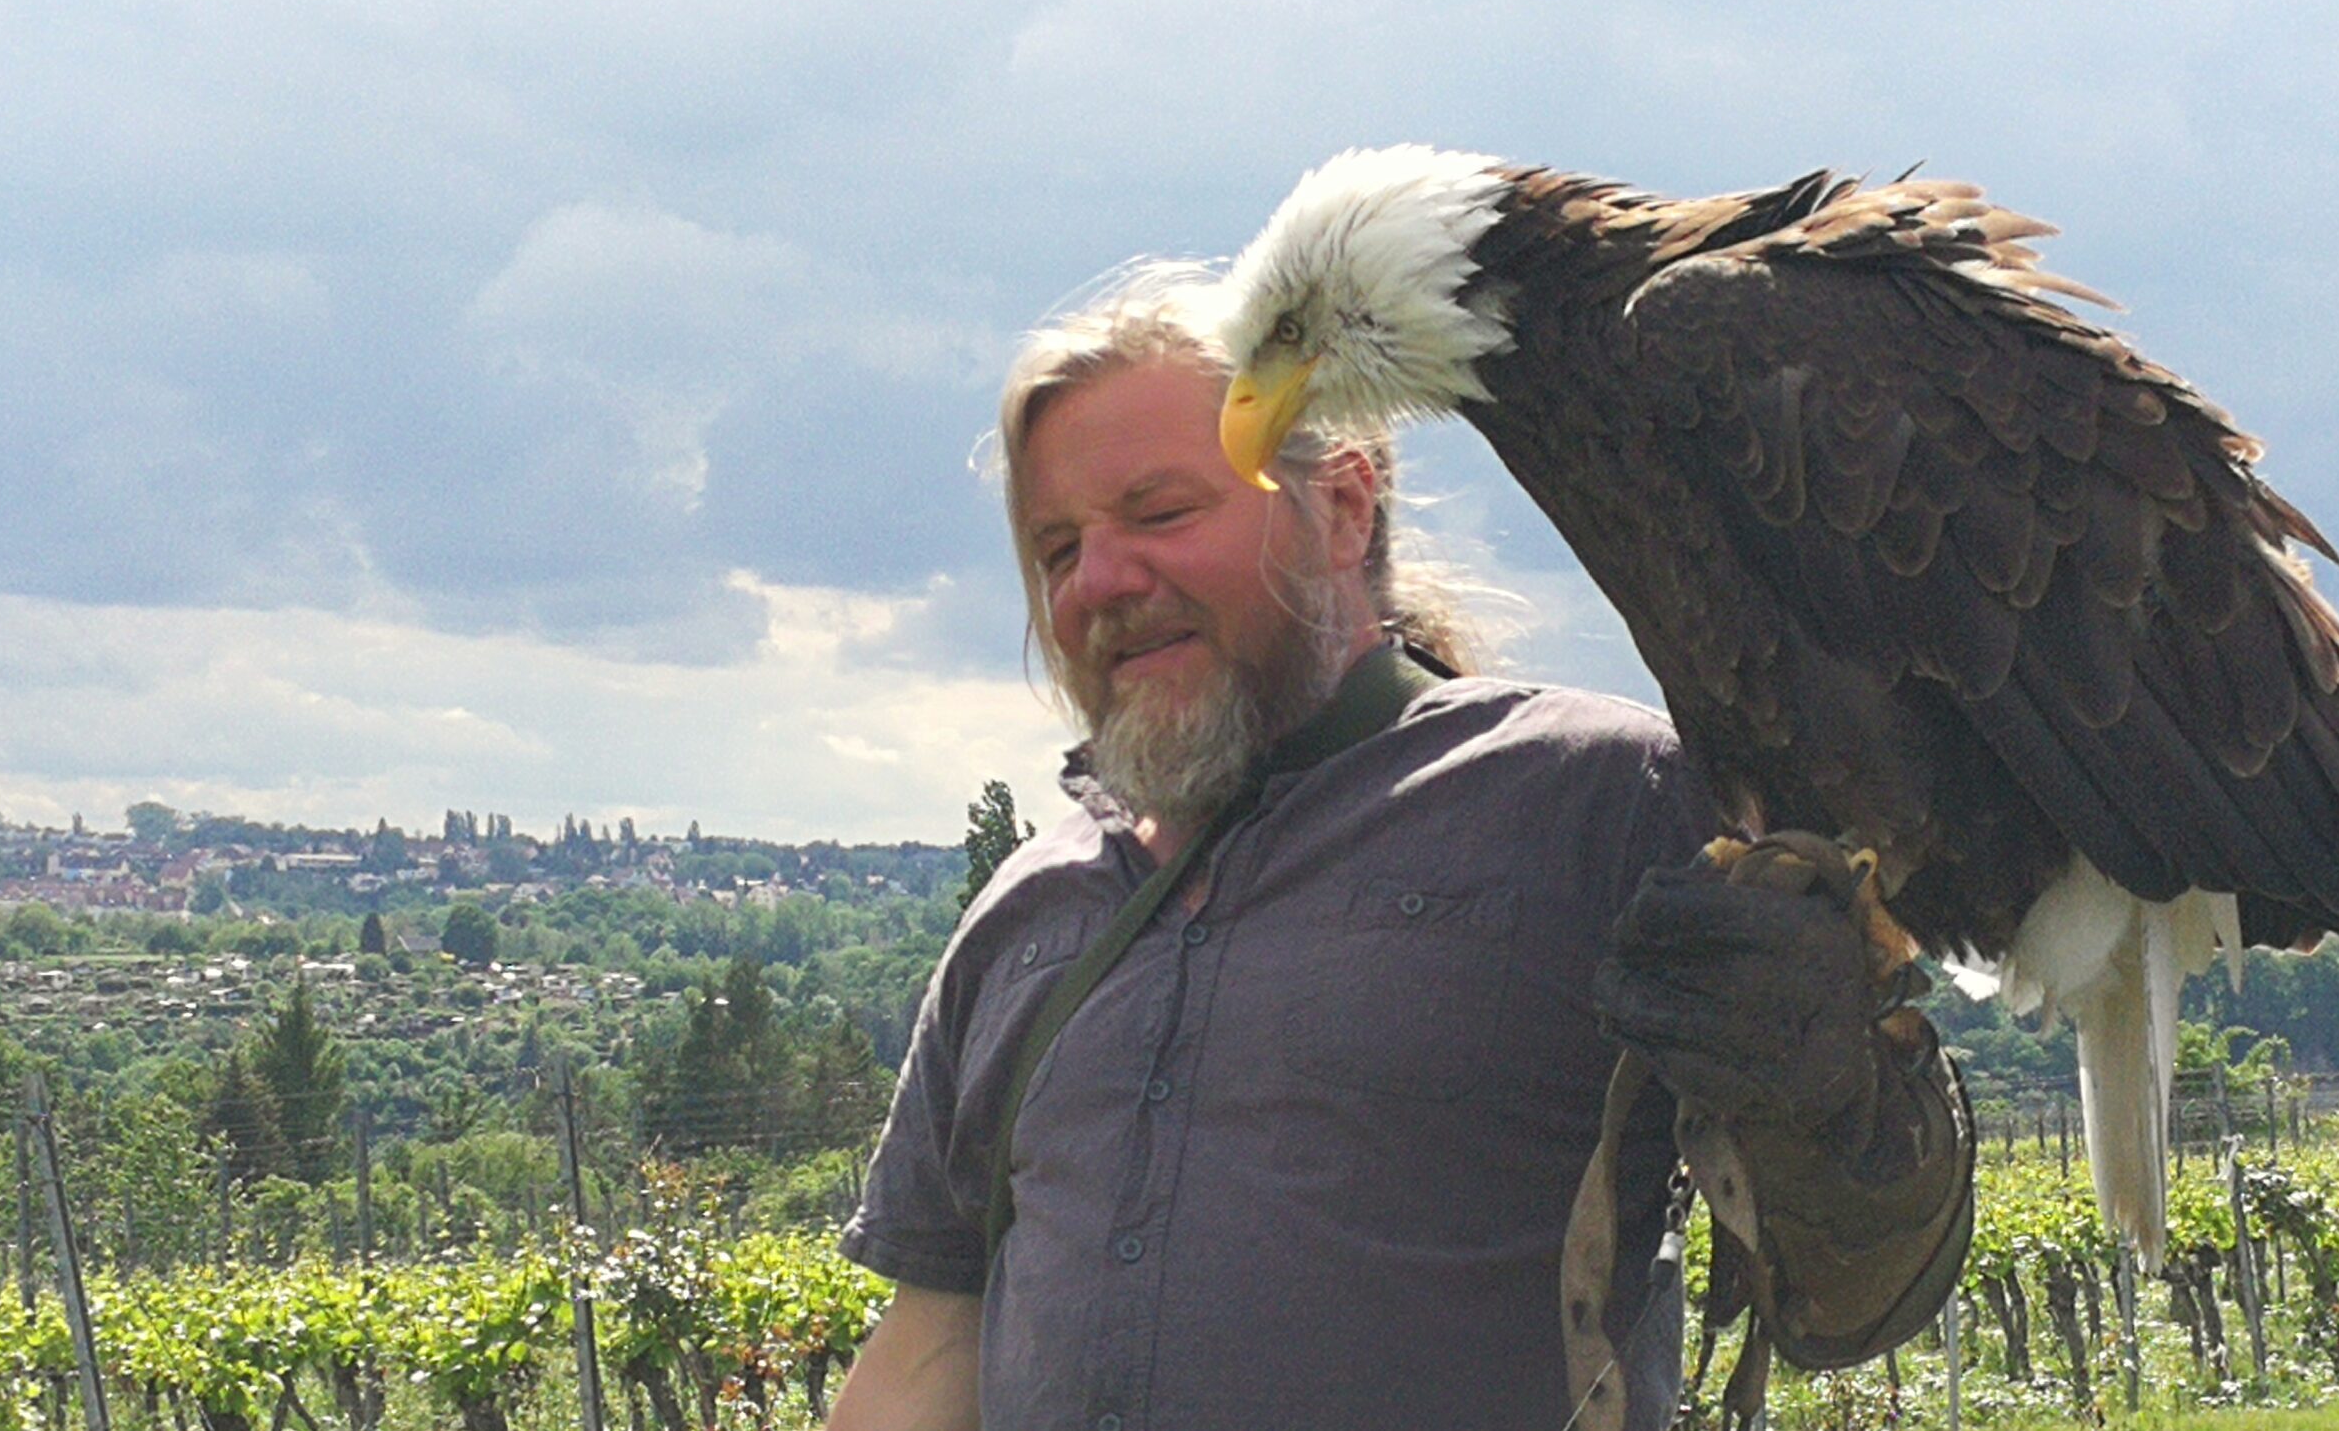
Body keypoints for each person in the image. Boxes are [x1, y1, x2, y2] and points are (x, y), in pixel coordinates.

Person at [827, 263, 1973, 1431]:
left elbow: (1865, 1288)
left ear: (1344, 506)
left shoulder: (1598, 798)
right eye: (1058, 548)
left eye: (1162, 513)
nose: (1103, 583)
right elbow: (932, 1342)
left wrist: (1834, 1106)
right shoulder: (1030, 908)